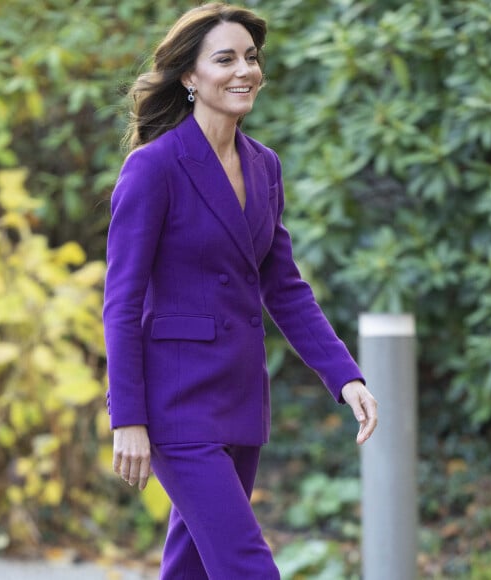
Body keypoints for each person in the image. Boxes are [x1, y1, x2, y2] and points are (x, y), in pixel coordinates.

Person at [103, 3, 378, 578]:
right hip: (176, 407)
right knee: (247, 567)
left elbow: (284, 284)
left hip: (240, 400)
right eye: (224, 58)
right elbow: (122, 303)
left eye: (250, 58)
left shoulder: (263, 166)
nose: (243, 71)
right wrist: (128, 417)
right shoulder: (153, 169)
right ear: (188, 77)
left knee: (194, 569)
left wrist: (344, 375)